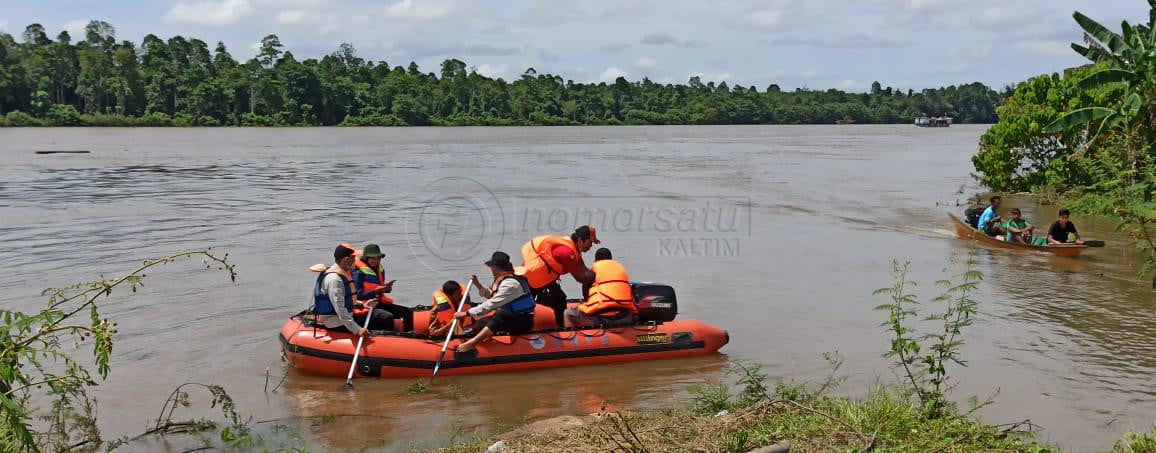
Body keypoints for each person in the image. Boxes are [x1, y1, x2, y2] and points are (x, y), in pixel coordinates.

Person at [454, 251, 537, 352]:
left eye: (492, 267)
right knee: (482, 322)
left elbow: (493, 303)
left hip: (523, 321)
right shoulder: (505, 280)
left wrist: (467, 313)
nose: (491, 269)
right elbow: (493, 297)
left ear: (496, 268)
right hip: (512, 317)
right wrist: (478, 285)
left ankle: (472, 343)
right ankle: (464, 337)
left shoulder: (511, 284)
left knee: (501, 313)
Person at [518, 225, 599, 327]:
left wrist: (599, 274)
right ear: (580, 240)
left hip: (543, 280)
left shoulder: (574, 250)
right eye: (590, 242)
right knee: (556, 301)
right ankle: (554, 330)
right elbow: (580, 278)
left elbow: (583, 269)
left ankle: (557, 327)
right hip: (534, 279)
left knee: (559, 299)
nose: (591, 246)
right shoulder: (567, 253)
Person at [312, 244, 394, 336]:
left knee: (383, 315)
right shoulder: (335, 279)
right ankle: (385, 341)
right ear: (346, 260)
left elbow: (347, 299)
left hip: (346, 315)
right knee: (385, 317)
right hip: (336, 321)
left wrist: (362, 304)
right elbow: (340, 309)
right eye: (353, 258)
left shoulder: (342, 273)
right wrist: (357, 329)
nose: (355, 261)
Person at [565, 248, 637, 328]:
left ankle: (571, 336)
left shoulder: (593, 271)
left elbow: (586, 296)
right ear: (611, 259)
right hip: (624, 316)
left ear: (595, 260)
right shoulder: (620, 269)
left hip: (601, 317)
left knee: (568, 314)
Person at [352, 244, 413, 331]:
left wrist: (386, 289)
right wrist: (376, 291)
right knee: (387, 316)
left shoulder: (379, 269)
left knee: (408, 312)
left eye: (378, 258)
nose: (375, 260)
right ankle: (389, 338)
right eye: (372, 258)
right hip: (364, 306)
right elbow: (358, 295)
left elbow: (378, 288)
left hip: (377, 302)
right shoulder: (358, 273)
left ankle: (410, 335)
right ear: (366, 258)